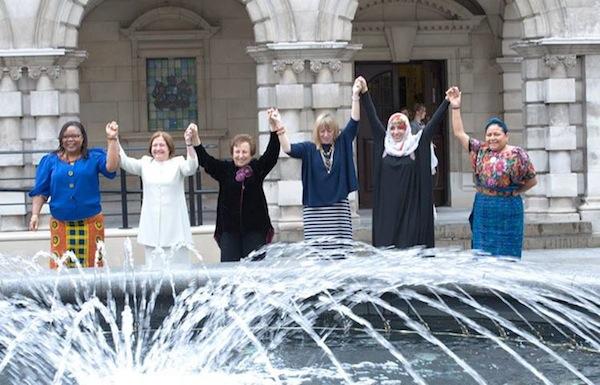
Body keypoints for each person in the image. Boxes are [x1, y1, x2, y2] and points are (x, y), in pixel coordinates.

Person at [359, 78, 451, 249]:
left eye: (400, 127)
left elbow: (432, 125)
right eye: (393, 128)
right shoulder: (383, 144)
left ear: (407, 128)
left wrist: (447, 101)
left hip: (411, 211)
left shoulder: (416, 144)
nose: (396, 131)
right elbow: (371, 117)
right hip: (387, 212)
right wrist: (364, 92)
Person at [447, 87, 537, 258]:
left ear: (506, 136)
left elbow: (532, 180)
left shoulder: (518, 154)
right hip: (484, 205)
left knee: (507, 250)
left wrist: (517, 191)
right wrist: (456, 107)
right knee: (482, 250)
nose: (492, 138)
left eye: (497, 134)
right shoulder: (481, 150)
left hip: (508, 207)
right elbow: (459, 133)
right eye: (489, 134)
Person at [275, 77, 363, 246]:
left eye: (329, 130)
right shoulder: (309, 149)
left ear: (334, 131)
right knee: (317, 252)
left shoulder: (342, 143)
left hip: (338, 209)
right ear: (317, 132)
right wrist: (279, 125)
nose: (325, 134)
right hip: (315, 211)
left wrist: (355, 95)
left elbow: (354, 122)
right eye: (322, 131)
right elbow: (288, 149)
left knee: (340, 251)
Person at [29, 121, 119, 268]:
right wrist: (35, 214)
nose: (70, 140)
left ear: (83, 138)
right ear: (61, 139)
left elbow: (111, 167)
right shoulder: (50, 161)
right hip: (61, 224)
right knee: (61, 269)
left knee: (93, 267)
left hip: (90, 224)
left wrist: (112, 139)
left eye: (75, 136)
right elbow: (41, 191)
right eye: (66, 137)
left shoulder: (94, 157)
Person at [192, 114, 282, 262]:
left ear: (251, 154)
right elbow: (205, 161)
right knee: (229, 272)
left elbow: (271, 155)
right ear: (232, 153)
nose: (240, 156)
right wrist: (195, 140)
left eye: (244, 152)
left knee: (255, 271)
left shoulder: (257, 168)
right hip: (229, 232)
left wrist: (274, 130)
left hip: (254, 230)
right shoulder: (225, 170)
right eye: (237, 152)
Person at [116, 123, 198, 268]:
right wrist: (114, 138)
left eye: (162, 145)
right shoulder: (145, 164)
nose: (158, 148)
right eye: (155, 145)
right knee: (154, 273)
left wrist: (189, 144)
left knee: (179, 272)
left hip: (175, 228)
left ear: (169, 148)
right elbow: (125, 162)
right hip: (152, 229)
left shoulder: (178, 163)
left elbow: (191, 167)